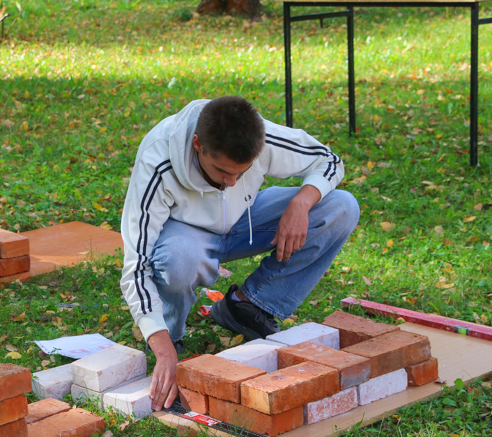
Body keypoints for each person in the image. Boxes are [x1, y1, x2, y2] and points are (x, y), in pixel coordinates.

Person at [120, 96, 360, 411]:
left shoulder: (258, 136)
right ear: (197, 145)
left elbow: (328, 160)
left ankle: (247, 307)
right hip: (187, 238)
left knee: (341, 206)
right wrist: (163, 351)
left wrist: (302, 203)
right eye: (222, 171)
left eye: (240, 173)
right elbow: (135, 267)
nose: (230, 183)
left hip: (245, 221)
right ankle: (171, 332)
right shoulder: (158, 161)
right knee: (177, 260)